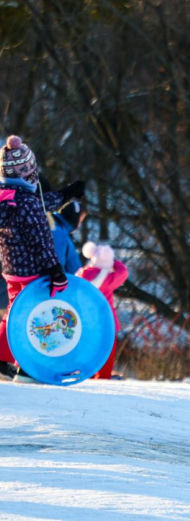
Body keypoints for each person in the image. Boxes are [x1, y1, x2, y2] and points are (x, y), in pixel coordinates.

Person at [0, 135, 85, 380]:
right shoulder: (27, 203)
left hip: (12, 270)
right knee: (37, 314)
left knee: (15, 311)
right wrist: (55, 270)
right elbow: (41, 240)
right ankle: (30, 366)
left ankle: (2, 358)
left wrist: (67, 194)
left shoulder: (9, 196)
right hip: (32, 272)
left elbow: (40, 203)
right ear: (27, 172)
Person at [77, 242, 129, 379]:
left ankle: (86, 374)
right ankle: (103, 376)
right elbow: (123, 272)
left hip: (85, 322)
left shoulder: (81, 274)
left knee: (87, 351)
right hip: (106, 323)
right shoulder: (109, 278)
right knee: (106, 352)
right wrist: (114, 263)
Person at [50, 200, 84, 276]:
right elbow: (73, 268)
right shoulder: (59, 233)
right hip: (54, 283)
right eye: (80, 220)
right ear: (75, 218)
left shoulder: (59, 228)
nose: (79, 225)